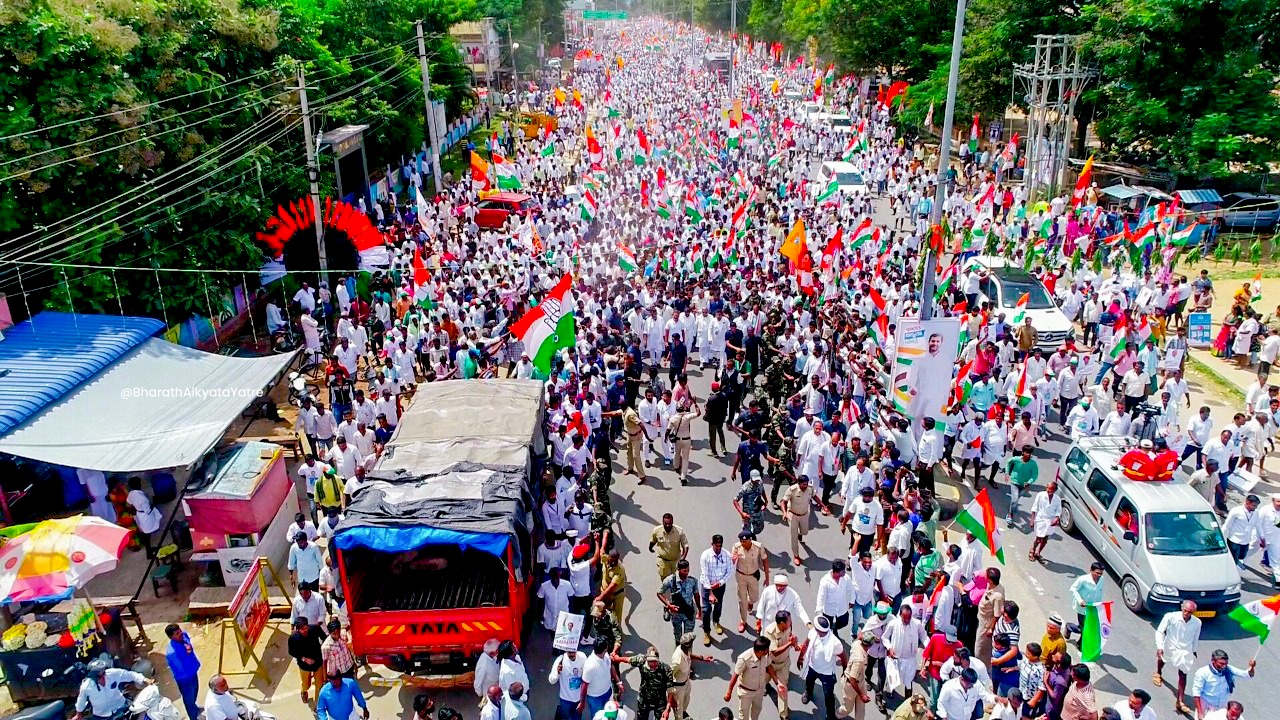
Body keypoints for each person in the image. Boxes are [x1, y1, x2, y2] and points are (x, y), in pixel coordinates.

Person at [1155, 600, 1202, 715]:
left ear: (1194, 612)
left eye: (1190, 612)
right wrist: (1160, 646)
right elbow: (1160, 631)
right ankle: (1158, 673)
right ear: (1181, 608)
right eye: (1185, 610)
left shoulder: (1197, 623)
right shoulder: (1171, 617)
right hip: (1170, 646)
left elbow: (1196, 637)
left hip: (1185, 651)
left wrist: (1194, 650)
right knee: (1162, 660)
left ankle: (1180, 701)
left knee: (1183, 674)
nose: (1186, 614)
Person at [799, 615, 846, 720]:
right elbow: (806, 644)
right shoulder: (813, 633)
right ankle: (808, 692)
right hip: (812, 667)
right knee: (809, 681)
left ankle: (830, 715)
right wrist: (800, 657)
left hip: (827, 673)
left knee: (828, 695)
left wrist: (845, 670)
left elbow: (843, 657)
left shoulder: (835, 643)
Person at [72, 658, 151, 720]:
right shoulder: (86, 686)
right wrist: (78, 715)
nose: (104, 677)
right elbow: (81, 701)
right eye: (100, 676)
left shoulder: (112, 673)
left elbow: (130, 675)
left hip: (121, 706)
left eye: (104, 673)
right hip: (102, 716)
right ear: (93, 677)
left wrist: (144, 679)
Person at [725, 636, 779, 720]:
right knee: (744, 714)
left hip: (760, 690)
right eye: (766, 649)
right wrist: (729, 693)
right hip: (746, 693)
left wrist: (776, 681)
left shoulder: (765, 655)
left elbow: (769, 666)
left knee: (757, 710)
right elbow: (735, 676)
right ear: (761, 651)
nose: (768, 651)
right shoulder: (744, 659)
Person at [1192, 650, 1255, 718]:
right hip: (1206, 706)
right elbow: (1196, 693)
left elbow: (1248, 675)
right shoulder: (1202, 672)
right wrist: (1200, 712)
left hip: (1221, 708)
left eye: (1226, 663)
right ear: (1213, 661)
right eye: (1221, 663)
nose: (1224, 666)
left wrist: (1252, 667)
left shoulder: (1229, 669)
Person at [731, 530, 768, 633]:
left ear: (750, 540)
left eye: (745, 541)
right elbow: (732, 562)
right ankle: (743, 621)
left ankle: (749, 602)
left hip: (753, 576)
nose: (743, 543)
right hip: (741, 576)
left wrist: (767, 577)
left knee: (755, 597)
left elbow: (765, 560)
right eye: (741, 541)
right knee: (741, 600)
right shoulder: (736, 547)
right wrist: (733, 560)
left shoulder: (758, 547)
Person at [163, 622, 201, 720]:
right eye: (177, 633)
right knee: (188, 697)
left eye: (179, 631)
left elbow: (188, 644)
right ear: (171, 637)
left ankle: (195, 708)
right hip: (185, 678)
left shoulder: (184, 636)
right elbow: (181, 668)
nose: (180, 634)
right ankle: (193, 717)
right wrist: (188, 653)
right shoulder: (172, 652)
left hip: (193, 670)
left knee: (195, 691)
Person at [658, 559, 701, 642]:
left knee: (688, 638)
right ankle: (678, 650)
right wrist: (668, 605)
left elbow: (696, 596)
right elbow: (659, 593)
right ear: (678, 570)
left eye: (688, 570)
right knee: (678, 636)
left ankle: (687, 653)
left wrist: (699, 610)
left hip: (689, 612)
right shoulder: (670, 580)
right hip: (676, 613)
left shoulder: (692, 581)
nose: (687, 573)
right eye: (684, 571)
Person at [936, 667, 1001, 719]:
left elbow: (985, 696)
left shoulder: (976, 684)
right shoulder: (949, 686)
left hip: (968, 717)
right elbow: (941, 702)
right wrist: (944, 717)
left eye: (972, 684)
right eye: (969, 684)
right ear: (962, 679)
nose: (971, 686)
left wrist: (996, 699)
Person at [287, 617, 324, 704]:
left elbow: (324, 637)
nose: (305, 630)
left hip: (318, 661)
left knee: (319, 684)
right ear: (297, 629)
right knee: (306, 684)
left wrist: (324, 648)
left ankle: (317, 704)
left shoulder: (315, 629)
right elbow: (291, 652)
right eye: (302, 629)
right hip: (304, 665)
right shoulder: (293, 638)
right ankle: (304, 691)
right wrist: (304, 659)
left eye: (306, 627)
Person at [1066, 563, 1105, 641]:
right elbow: (1073, 589)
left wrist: (1100, 605)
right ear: (1091, 570)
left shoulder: (1102, 579)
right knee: (1084, 628)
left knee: (1086, 627)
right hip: (1082, 608)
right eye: (1097, 573)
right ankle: (1080, 643)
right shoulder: (1083, 579)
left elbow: (1099, 592)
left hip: (1092, 608)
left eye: (1100, 573)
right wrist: (1080, 600)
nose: (1099, 575)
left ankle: (1071, 628)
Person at [1028, 481, 1062, 562]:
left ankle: (1038, 552)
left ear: (1054, 490)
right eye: (1047, 488)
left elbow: (1058, 511)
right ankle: (1032, 549)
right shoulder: (1040, 495)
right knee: (1039, 538)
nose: (1047, 490)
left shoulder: (1057, 499)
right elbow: (1034, 508)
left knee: (1045, 539)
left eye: (1050, 489)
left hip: (1050, 521)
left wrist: (1056, 519)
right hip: (1041, 519)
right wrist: (1032, 520)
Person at [549, 647, 586, 720]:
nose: (572, 654)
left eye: (573, 652)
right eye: (569, 652)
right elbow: (551, 680)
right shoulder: (560, 660)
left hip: (578, 700)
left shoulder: (582, 657)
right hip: (565, 700)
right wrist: (557, 672)